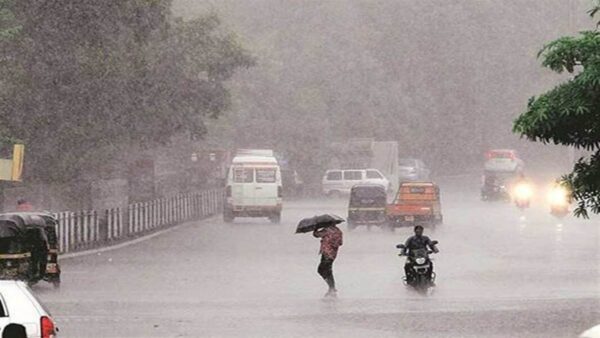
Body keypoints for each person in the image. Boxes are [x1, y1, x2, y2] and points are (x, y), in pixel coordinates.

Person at [313, 223, 343, 298]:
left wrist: (316, 228)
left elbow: (316, 235)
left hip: (326, 253)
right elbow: (340, 243)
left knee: (321, 269)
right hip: (333, 254)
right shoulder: (338, 231)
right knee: (328, 269)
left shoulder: (327, 230)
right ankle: (331, 287)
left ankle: (331, 287)